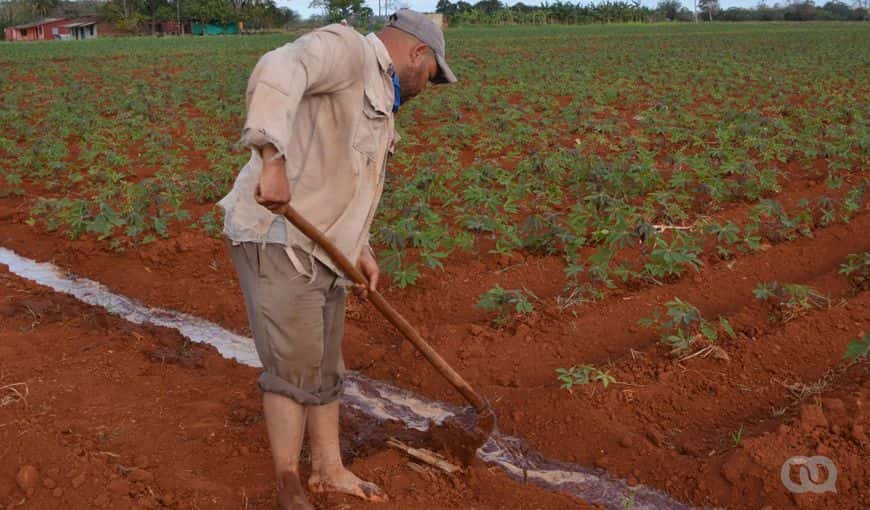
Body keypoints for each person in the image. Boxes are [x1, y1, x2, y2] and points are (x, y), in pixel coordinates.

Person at [217, 9, 456, 510]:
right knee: (293, 366)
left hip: (327, 247)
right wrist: (271, 158)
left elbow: (348, 178)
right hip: (279, 236)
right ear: (416, 53)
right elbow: (279, 67)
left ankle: (328, 469)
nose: (426, 87)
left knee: (325, 362)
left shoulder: (381, 94)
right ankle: (288, 483)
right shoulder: (346, 51)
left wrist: (360, 246)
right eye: (431, 74)